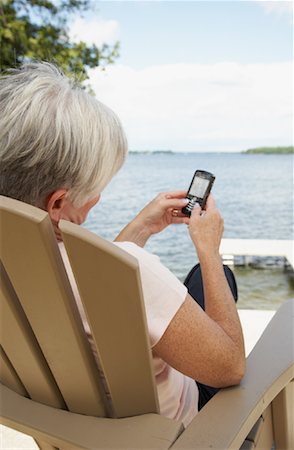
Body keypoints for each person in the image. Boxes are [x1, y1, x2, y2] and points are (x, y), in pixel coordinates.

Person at [0, 62, 245, 427]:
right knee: (215, 275)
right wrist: (209, 250)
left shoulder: (21, 262)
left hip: (73, 425)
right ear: (56, 204)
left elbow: (92, 283)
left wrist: (141, 226)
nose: (98, 196)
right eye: (96, 186)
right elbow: (229, 368)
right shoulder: (134, 273)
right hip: (167, 430)